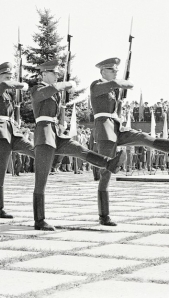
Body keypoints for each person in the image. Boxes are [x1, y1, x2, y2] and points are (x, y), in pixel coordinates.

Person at [90, 57, 169, 226]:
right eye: (112, 70)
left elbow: (122, 93)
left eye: (116, 70)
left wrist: (121, 95)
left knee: (142, 137)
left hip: (117, 127)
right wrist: (122, 83)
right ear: (102, 71)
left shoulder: (114, 89)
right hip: (105, 130)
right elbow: (117, 85)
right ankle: (104, 215)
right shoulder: (96, 85)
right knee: (105, 173)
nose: (115, 72)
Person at [30, 59, 127, 231]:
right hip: (44, 135)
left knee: (79, 149)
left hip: (56, 134)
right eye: (54, 73)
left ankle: (108, 163)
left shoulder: (55, 92)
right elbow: (41, 95)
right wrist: (64, 85)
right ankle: (39, 220)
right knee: (41, 179)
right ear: (44, 74)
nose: (57, 76)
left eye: (57, 74)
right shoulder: (37, 88)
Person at [0, 62, 35, 219]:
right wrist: (22, 85)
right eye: (7, 76)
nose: (10, 79)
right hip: (1, 132)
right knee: (0, 173)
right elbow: (7, 84)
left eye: (11, 76)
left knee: (37, 151)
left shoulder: (8, 94)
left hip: (13, 131)